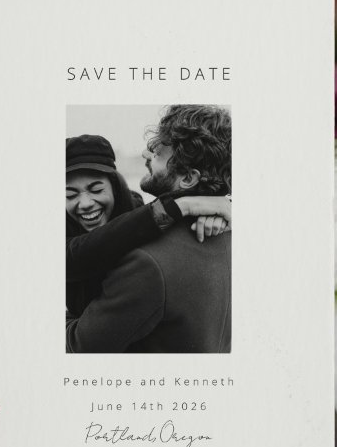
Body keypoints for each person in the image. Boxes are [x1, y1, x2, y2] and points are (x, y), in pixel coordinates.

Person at [66, 105, 232, 353]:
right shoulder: (229, 234)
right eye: (70, 194)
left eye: (156, 153)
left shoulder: (146, 263)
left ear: (188, 178)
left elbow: (79, 346)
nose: (144, 153)